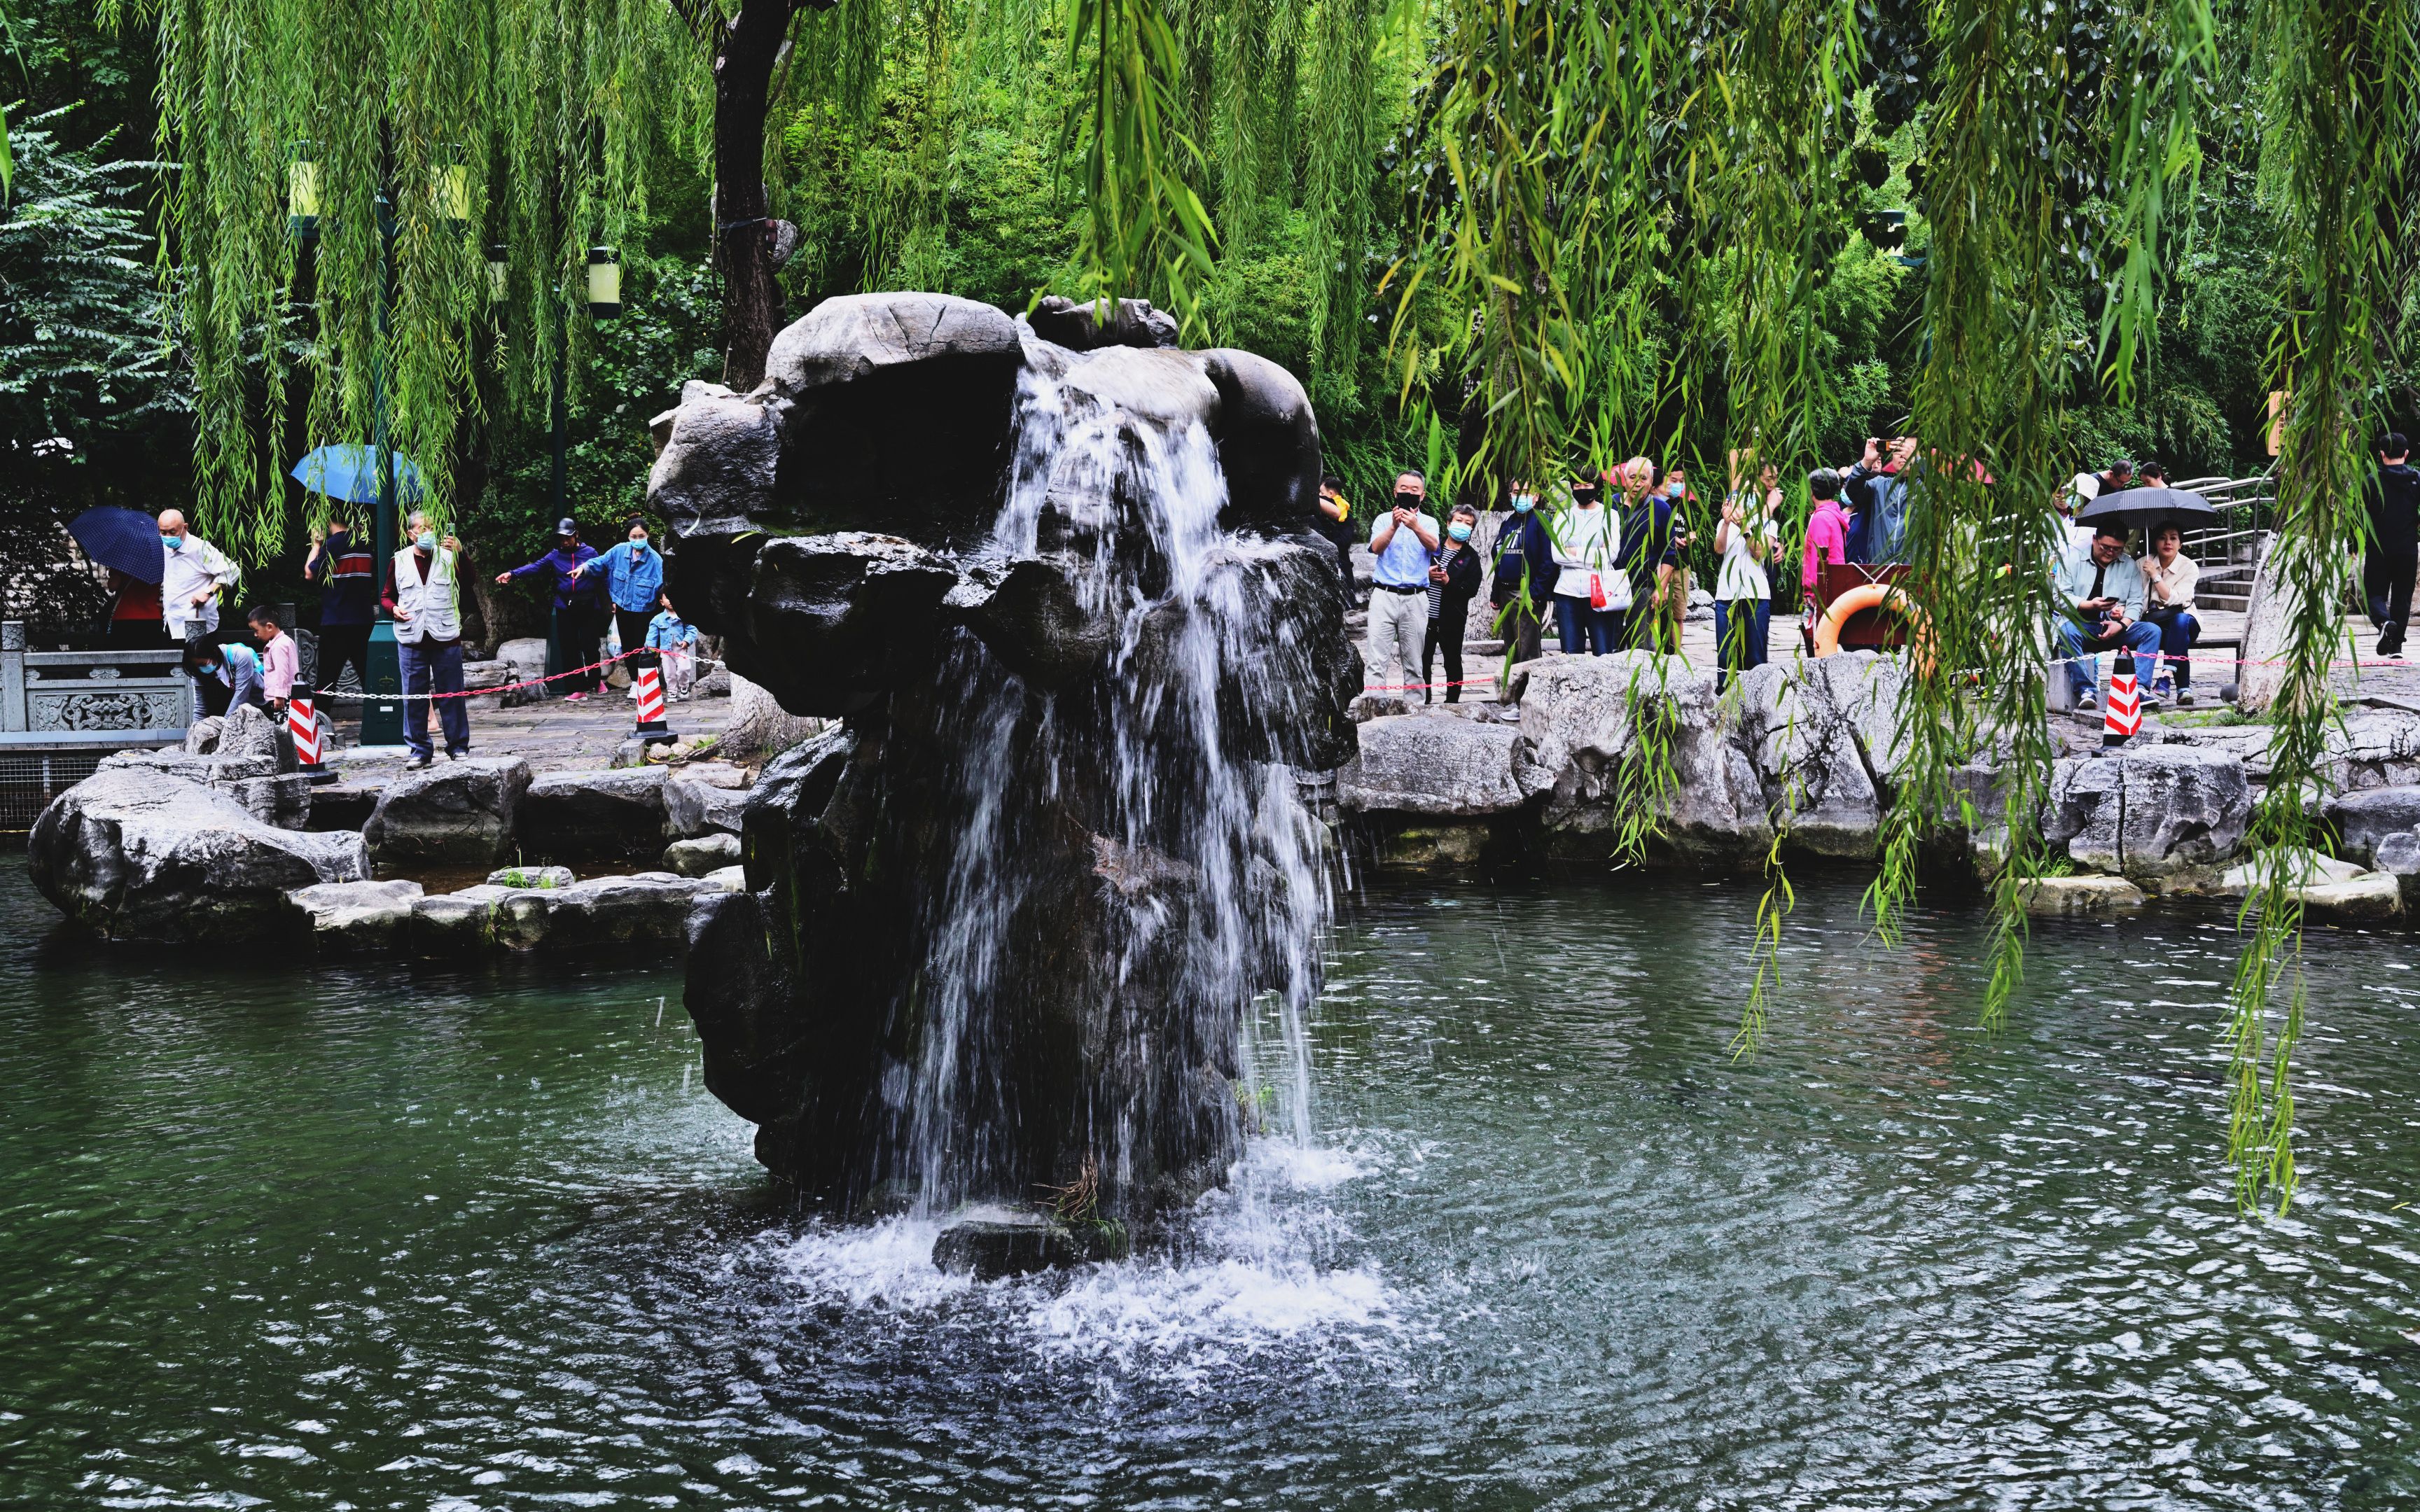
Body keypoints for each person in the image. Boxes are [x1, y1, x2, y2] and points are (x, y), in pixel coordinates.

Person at [382, 510, 468, 769]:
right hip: (411, 638)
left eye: (430, 527)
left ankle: (458, 747)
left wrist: (461, 554)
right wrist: (393, 610)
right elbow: (386, 595)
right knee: (413, 696)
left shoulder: (448, 556)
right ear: (411, 534)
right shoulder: (398, 560)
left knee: (452, 694)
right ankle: (419, 750)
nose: (426, 532)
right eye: (421, 528)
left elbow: (469, 581)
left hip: (445, 636)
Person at [2052, 523, 2161, 713]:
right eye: (2105, 547)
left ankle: (2140, 688)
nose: (2110, 553)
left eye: (2117, 549)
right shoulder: (2072, 560)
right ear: (2094, 540)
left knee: (2152, 631)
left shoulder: (2128, 565)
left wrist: (2122, 623)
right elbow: (2060, 597)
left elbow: (2136, 602)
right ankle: (2086, 690)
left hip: (2114, 626)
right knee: (2066, 632)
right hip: (2081, 625)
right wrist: (2089, 604)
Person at [497, 518, 606, 699]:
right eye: (561, 538)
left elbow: (603, 575)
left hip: (588, 604)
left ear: (576, 535)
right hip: (565, 606)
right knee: (569, 648)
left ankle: (595, 680)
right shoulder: (555, 555)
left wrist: (611, 600)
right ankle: (577, 689)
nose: (564, 541)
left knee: (590, 646)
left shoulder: (590, 552)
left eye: (568, 537)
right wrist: (512, 574)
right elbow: (535, 567)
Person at [571, 517, 667, 693]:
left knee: (643, 646)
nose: (638, 540)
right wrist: (583, 568)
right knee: (628, 646)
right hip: (623, 607)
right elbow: (600, 563)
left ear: (647, 535)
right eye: (634, 536)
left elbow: (663, 585)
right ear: (628, 537)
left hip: (645, 610)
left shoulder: (655, 561)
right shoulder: (618, 551)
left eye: (641, 536)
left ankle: (646, 683)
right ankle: (635, 683)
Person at [1365, 472, 1440, 690]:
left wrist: (1416, 527)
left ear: (1423, 495)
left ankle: (1414, 713)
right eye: (1404, 489)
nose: (1409, 493)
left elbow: (1435, 546)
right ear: (1395, 492)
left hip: (1415, 598)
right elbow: (1376, 548)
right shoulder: (1382, 519)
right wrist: (1394, 526)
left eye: (1415, 490)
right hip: (1383, 595)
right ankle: (1375, 709)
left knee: (1415, 663)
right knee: (1376, 660)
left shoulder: (1430, 522)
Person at [1715, 466, 1782, 688]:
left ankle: (1757, 697)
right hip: (1727, 594)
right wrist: (1726, 523)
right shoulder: (1726, 524)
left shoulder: (1769, 524)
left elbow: (1759, 552)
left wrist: (1744, 526)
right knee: (1725, 653)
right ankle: (1724, 693)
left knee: (1755, 655)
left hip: (1756, 595)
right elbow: (1718, 548)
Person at [1553, 472, 1627, 654]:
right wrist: (1595, 555)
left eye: (1587, 484)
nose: (1582, 489)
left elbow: (1610, 555)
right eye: (1577, 485)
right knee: (1570, 657)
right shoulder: (1563, 516)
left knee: (1603, 654)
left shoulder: (1609, 515)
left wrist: (1573, 551)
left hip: (1600, 594)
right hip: (1567, 593)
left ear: (1597, 486)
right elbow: (1557, 555)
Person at [305, 517, 377, 695]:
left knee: (326, 679)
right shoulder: (365, 543)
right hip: (363, 620)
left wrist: (316, 545)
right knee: (370, 676)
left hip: (335, 621)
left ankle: (321, 720)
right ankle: (379, 718)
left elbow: (309, 573)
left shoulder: (333, 544)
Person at [2363, 433, 2419, 659]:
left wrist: (2352, 545)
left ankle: (2385, 622)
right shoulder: (2416, 479)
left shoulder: (2372, 480)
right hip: (2407, 547)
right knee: (2402, 597)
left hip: (2379, 547)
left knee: (2374, 594)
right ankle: (2396, 647)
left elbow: (2360, 512)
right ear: (2406, 454)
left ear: (2382, 454)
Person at [1489, 480, 1557, 667]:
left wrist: (1535, 593)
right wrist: (1496, 592)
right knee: (1511, 648)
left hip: (1527, 594)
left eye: (1526, 492)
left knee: (1528, 651)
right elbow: (1499, 559)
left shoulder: (1542, 522)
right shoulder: (1508, 523)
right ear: (1510, 495)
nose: (1520, 496)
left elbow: (1549, 562)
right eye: (1516, 492)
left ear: (1536, 497)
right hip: (1505, 593)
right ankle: (1514, 692)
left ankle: (1529, 694)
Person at [1422, 505, 1484, 703]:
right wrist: (1427, 575)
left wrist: (1450, 582)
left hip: (1452, 618)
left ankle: (1452, 703)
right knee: (1423, 661)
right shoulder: (1431, 548)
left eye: (1468, 524)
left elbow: (1472, 589)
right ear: (1448, 523)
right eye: (1459, 521)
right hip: (1424, 615)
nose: (1462, 526)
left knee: (1452, 662)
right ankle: (1424, 699)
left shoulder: (1471, 557)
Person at [2139, 521, 2201, 706]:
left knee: (2180, 622)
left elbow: (2175, 600)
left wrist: (2155, 577)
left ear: (2180, 544)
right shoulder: (2143, 564)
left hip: (2187, 621)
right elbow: (2138, 600)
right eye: (2162, 538)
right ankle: (2183, 690)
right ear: (2155, 542)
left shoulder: (2189, 567)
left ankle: (2166, 676)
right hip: (2156, 624)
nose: (2168, 543)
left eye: (2173, 538)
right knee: (2179, 639)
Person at [158, 509, 239, 647]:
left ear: (185, 527)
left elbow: (231, 570)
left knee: (199, 666)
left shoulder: (200, 548)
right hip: (171, 622)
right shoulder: (164, 548)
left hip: (198, 624)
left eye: (173, 532)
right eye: (163, 532)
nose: (168, 537)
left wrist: (209, 591)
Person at [1842, 436, 1916, 565]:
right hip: (1879, 573)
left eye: (1908, 450)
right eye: (1898, 450)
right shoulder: (1879, 485)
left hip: (1914, 574)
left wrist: (1918, 463)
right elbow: (1853, 491)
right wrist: (1866, 461)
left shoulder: (1928, 489)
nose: (1902, 455)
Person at [1801, 468, 1851, 615]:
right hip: (1834, 583)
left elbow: (1818, 558)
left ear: (1812, 490)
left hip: (1823, 591)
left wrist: (1811, 592)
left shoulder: (1821, 518)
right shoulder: (1834, 515)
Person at [185, 636, 264, 719]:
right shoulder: (197, 670)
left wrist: (223, 725)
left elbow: (241, 696)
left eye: (203, 664)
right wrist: (195, 729)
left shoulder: (241, 655)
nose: (200, 668)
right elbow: (200, 708)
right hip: (225, 710)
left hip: (255, 706)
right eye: (196, 666)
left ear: (214, 653)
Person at [1312, 475, 1358, 605]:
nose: (1320, 496)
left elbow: (1344, 541)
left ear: (1331, 493)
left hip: (1340, 565)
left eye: (1322, 493)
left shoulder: (1345, 517)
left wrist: (1325, 544)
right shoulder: (1318, 515)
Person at [648, 594, 703, 701]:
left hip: (680, 649)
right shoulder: (657, 619)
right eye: (667, 598)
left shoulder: (684, 615)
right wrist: (650, 647)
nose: (670, 600)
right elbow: (652, 635)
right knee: (669, 673)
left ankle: (684, 686)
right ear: (662, 602)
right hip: (666, 651)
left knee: (684, 668)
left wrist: (687, 640)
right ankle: (672, 692)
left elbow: (691, 630)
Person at [249, 606, 299, 718]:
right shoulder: (286, 641)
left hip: (282, 697)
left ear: (269, 627)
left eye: (256, 631)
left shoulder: (278, 646)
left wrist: (279, 696)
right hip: (288, 694)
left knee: (282, 728)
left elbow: (282, 672)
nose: (255, 635)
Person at [105, 568, 166, 645]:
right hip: (153, 617)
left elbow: (113, 586)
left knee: (123, 655)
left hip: (124, 616)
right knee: (151, 655)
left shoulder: (124, 561)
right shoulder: (159, 564)